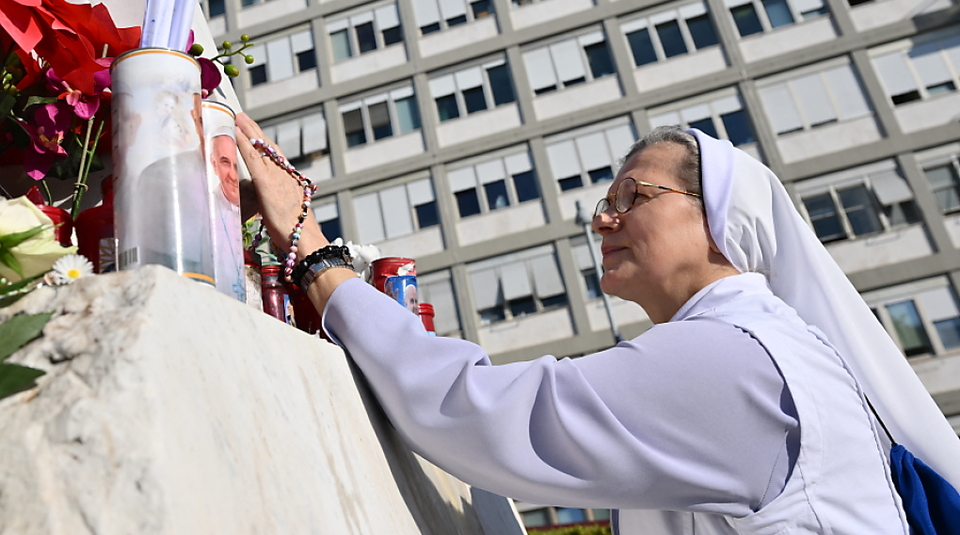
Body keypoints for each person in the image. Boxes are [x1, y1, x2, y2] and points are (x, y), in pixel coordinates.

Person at [236, 113, 960, 535]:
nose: (600, 218)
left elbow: (478, 414)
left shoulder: (738, 358)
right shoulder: (766, 349)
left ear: (720, 223)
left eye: (632, 195)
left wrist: (311, 250)